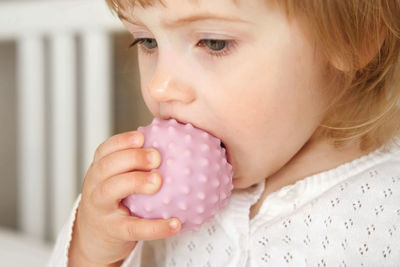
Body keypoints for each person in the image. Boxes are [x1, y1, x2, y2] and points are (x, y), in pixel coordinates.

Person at [48, 0, 400, 266]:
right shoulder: (145, 198)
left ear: (355, 39)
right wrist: (93, 247)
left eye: (214, 43)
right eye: (147, 42)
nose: (159, 86)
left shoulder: (387, 209)